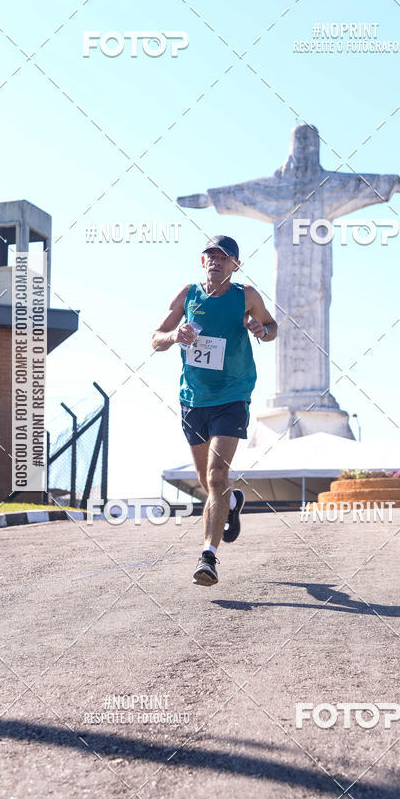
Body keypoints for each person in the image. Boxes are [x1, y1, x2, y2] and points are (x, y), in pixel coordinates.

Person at [152, 235, 277, 586]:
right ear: (202, 261)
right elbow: (155, 337)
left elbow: (273, 328)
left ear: (235, 265)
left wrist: (260, 329)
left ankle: (208, 556)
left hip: (233, 395)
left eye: (224, 257)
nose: (216, 261)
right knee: (211, 485)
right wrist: (176, 335)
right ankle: (231, 505)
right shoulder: (188, 294)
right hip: (193, 399)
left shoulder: (245, 296)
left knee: (217, 474)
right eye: (211, 256)